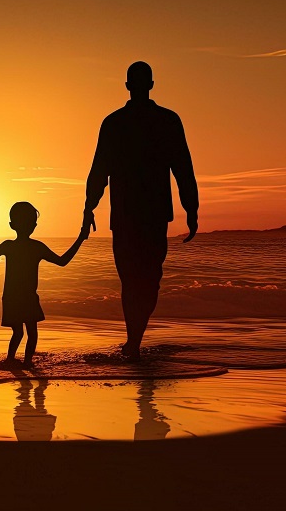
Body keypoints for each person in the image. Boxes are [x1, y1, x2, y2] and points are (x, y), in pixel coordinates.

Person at [83, 61, 199, 361]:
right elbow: (183, 169)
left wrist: (89, 206)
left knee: (135, 279)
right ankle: (134, 339)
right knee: (147, 279)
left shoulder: (119, 122)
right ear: (150, 84)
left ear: (128, 85)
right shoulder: (162, 121)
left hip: (129, 213)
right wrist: (191, 208)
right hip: (147, 214)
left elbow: (99, 171)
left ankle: (133, 339)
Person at [0, 202, 87, 368]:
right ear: (32, 225)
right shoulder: (35, 247)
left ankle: (14, 360)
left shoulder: (13, 246)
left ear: (12, 225)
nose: (32, 225)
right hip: (23, 297)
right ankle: (24, 362)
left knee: (19, 332)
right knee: (30, 333)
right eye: (30, 221)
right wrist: (80, 239)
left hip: (15, 297)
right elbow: (62, 261)